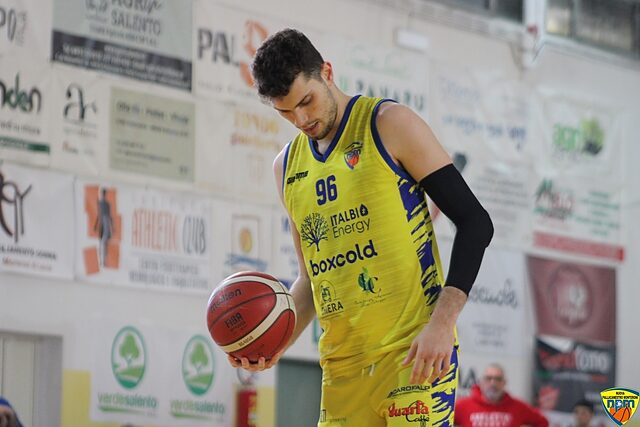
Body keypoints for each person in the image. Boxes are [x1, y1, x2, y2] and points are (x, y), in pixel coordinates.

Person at [228, 28, 494, 426]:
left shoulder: (389, 124)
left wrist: (443, 324)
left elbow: (475, 223)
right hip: (342, 369)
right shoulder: (286, 167)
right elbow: (310, 280)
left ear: (327, 72)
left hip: (413, 356)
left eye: (306, 101)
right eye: (286, 112)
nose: (301, 119)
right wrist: (273, 341)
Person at [454, 364, 549, 427]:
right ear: (481, 382)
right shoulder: (463, 406)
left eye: (498, 379)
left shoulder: (518, 407)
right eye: (488, 378)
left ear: (504, 383)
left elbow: (542, 422)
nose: (493, 383)